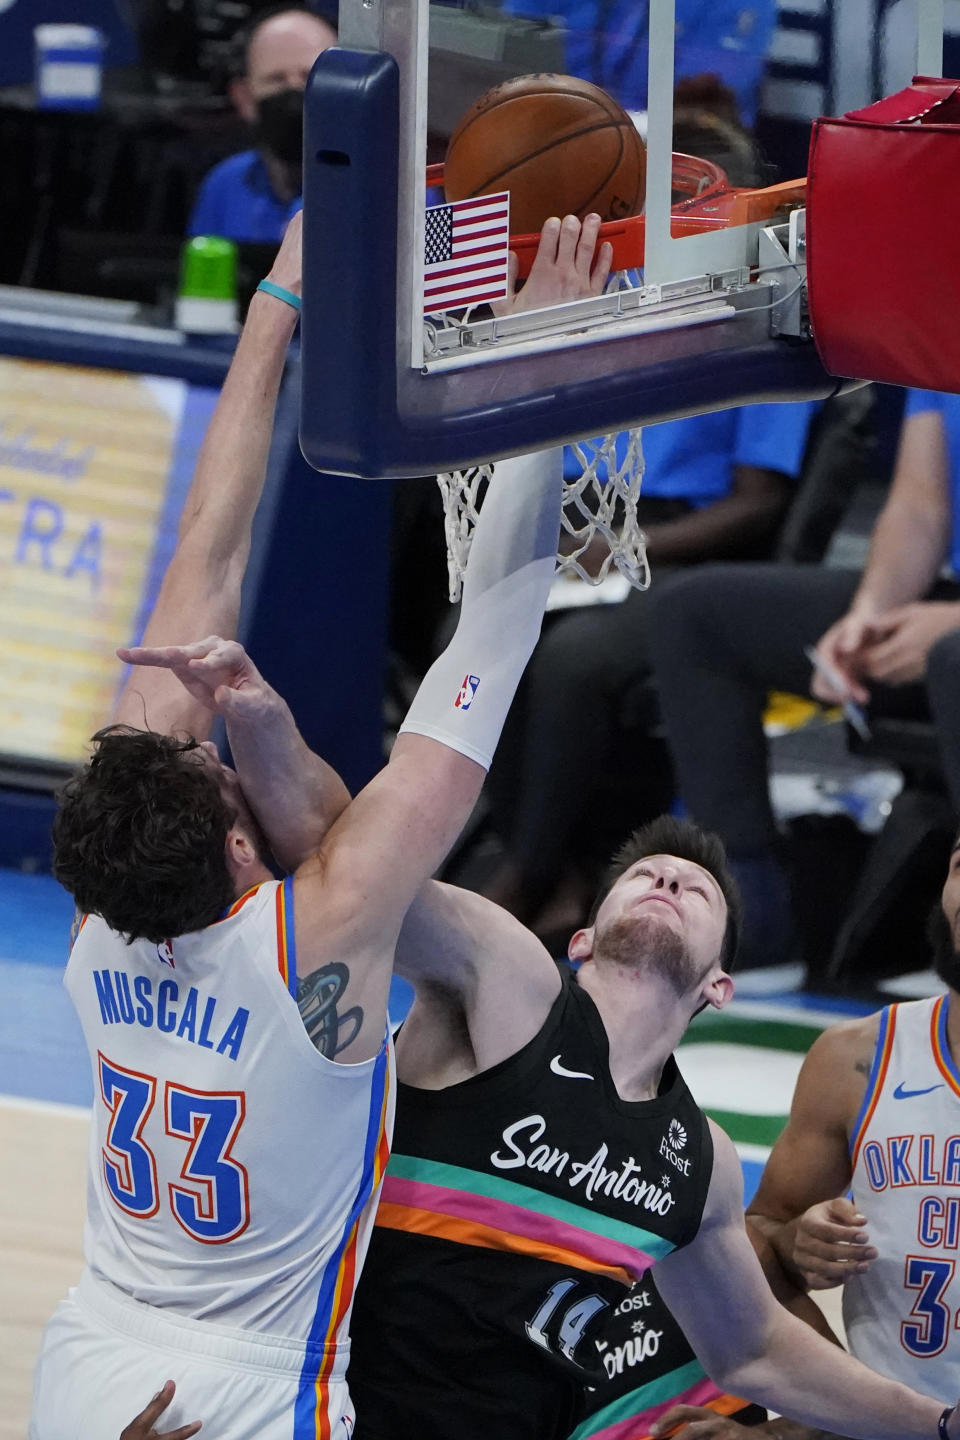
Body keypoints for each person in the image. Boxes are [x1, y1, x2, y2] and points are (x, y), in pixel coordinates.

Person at [29, 209, 582, 1438]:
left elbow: (208, 546)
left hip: (92, 1355)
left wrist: (282, 301)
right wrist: (547, 357)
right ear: (240, 842)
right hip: (243, 1389)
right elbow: (485, 645)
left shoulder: (99, 911)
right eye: (222, 771)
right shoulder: (319, 924)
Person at [480, 394, 818, 945]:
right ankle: (564, 868)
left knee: (574, 661)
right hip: (583, 524)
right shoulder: (606, 320)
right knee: (481, 638)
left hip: (690, 552)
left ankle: (525, 877)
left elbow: (760, 503)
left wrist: (628, 547)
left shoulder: (764, 337)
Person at [646, 388, 960, 971]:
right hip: (946, 609)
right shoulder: (945, 330)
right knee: (694, 613)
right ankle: (754, 912)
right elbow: (920, 507)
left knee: (953, 658)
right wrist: (869, 613)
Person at [188, 5, 337, 243]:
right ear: (244, 98)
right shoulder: (224, 185)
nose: (294, 92)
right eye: (277, 80)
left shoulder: (377, 191)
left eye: (309, 77)